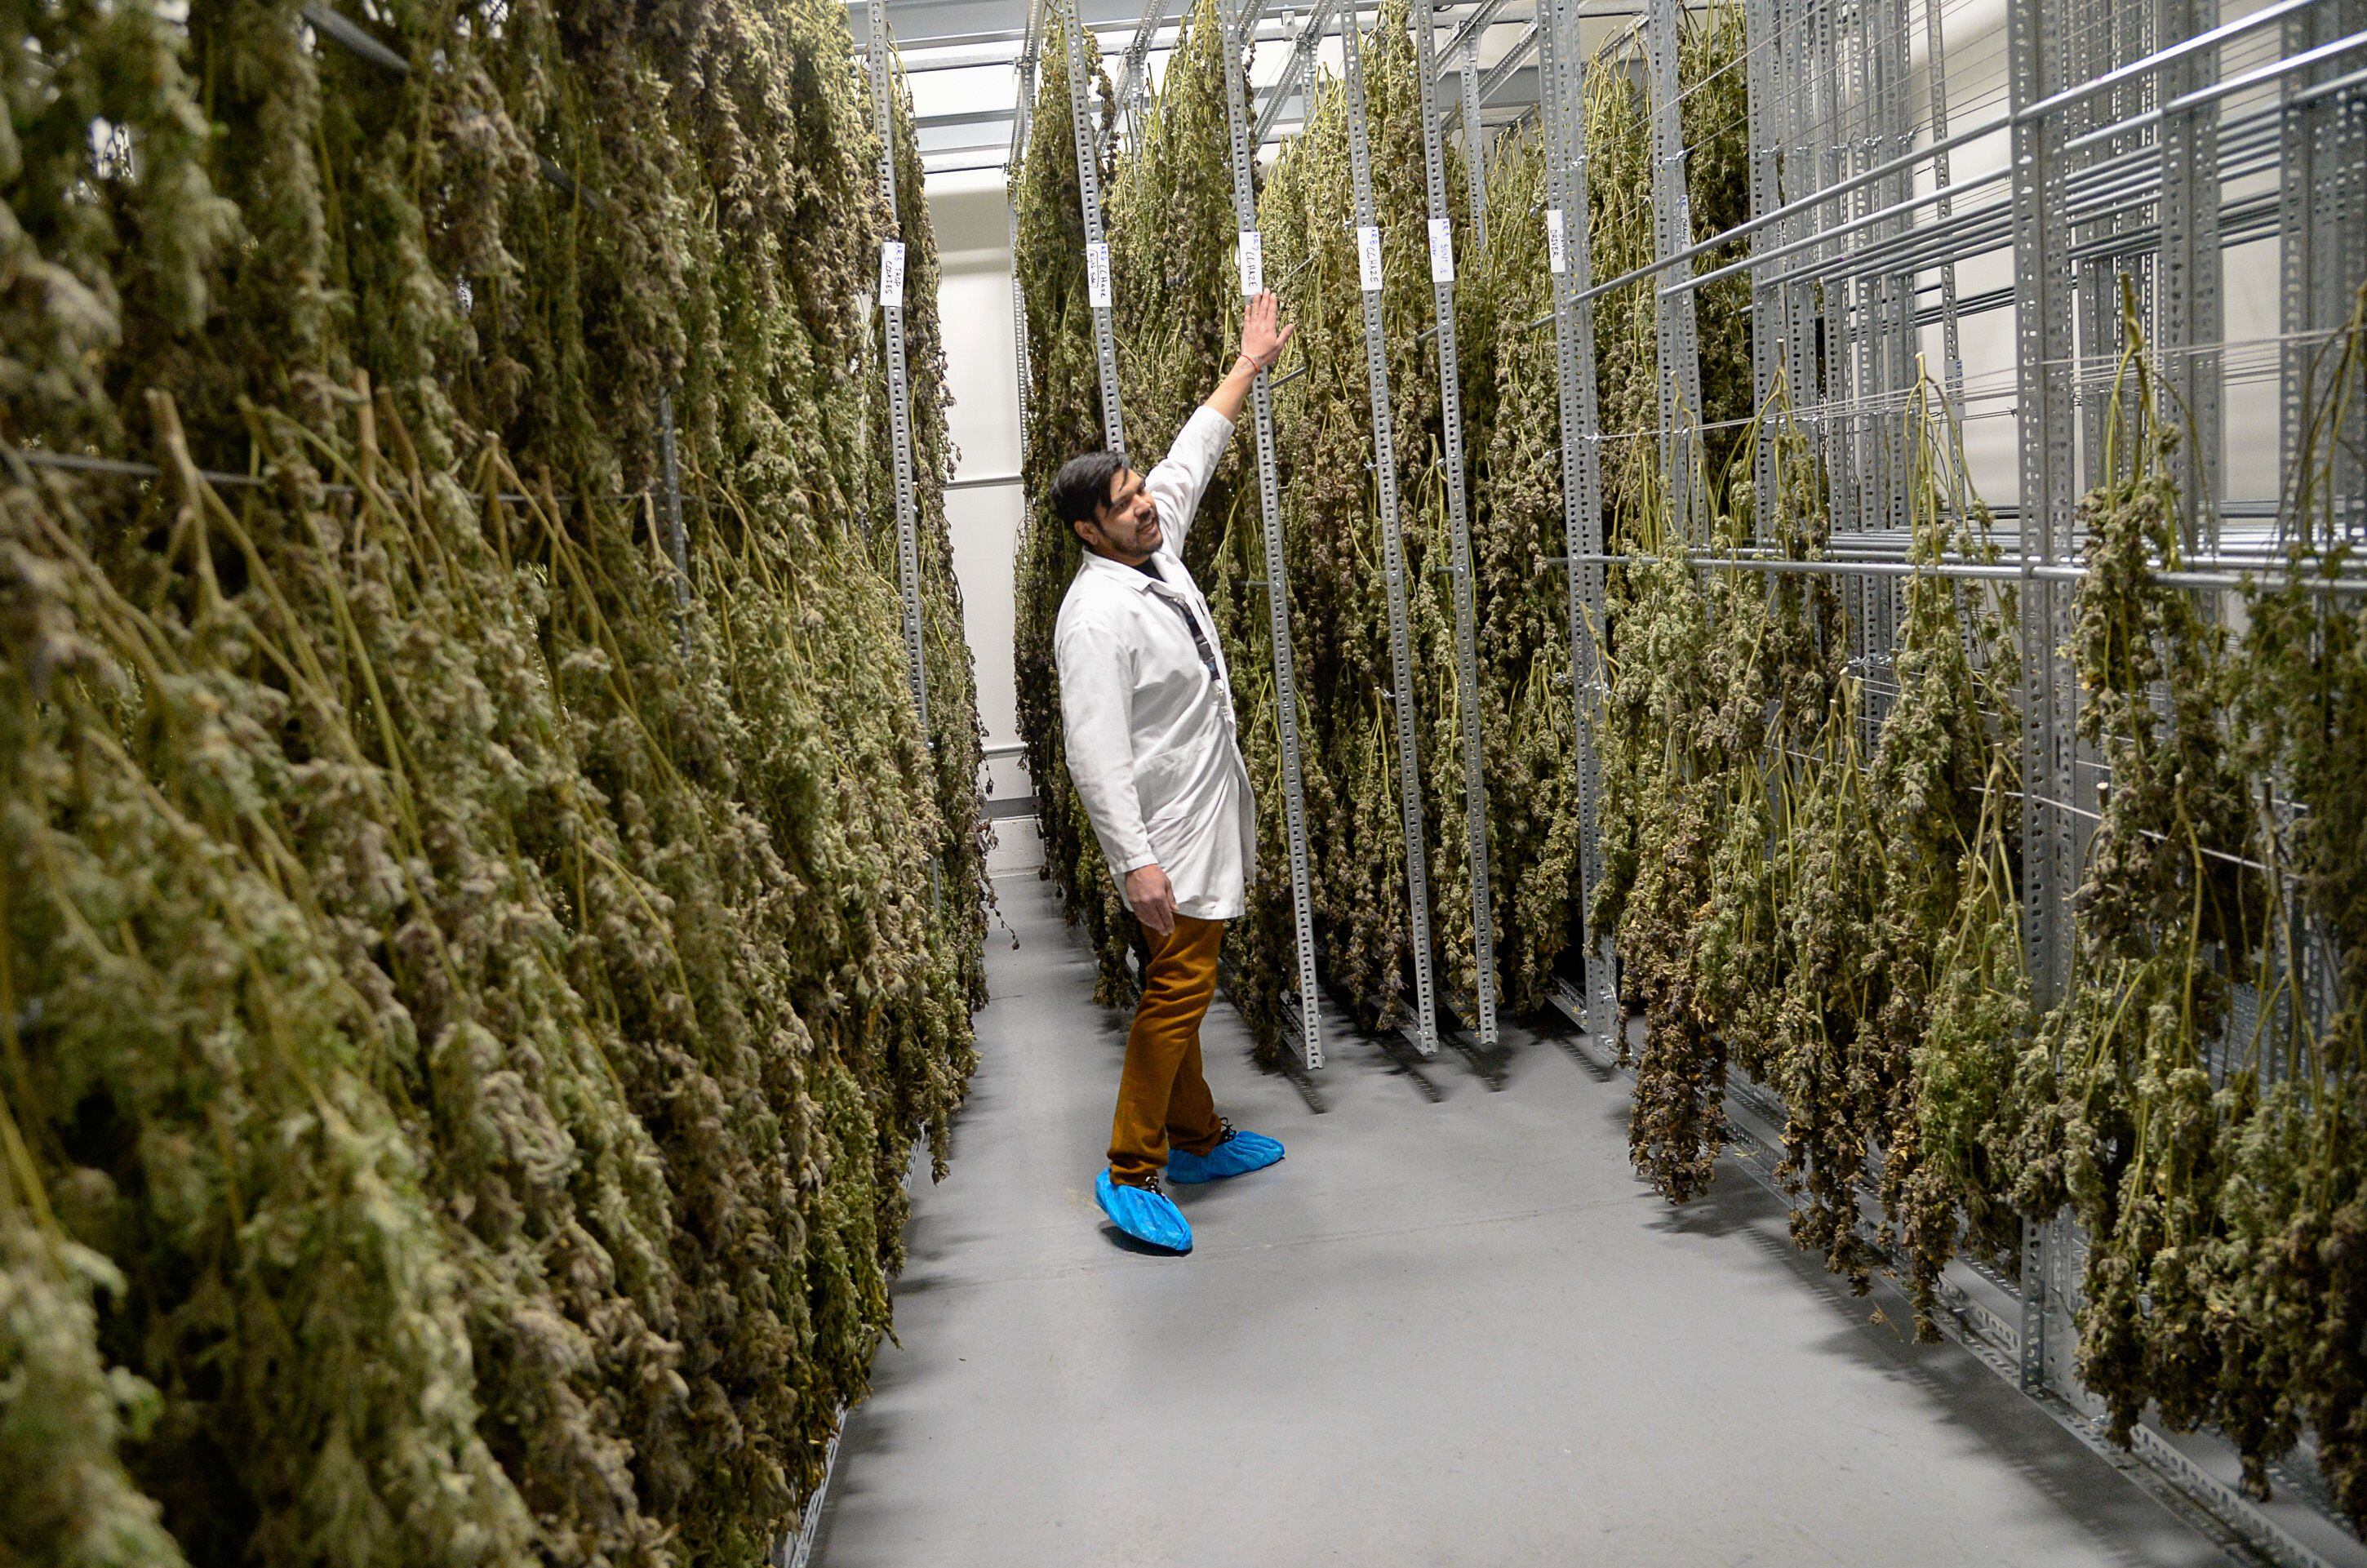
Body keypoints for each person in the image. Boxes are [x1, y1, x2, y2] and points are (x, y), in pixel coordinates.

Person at [1050, 291, 1298, 1255]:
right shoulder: (1093, 619)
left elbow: (1191, 456)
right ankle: (1129, 1166)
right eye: (1123, 504)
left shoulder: (1155, 550)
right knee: (1176, 992)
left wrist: (1247, 363)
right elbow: (1092, 754)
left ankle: (1192, 1135)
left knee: (1180, 982)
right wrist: (1133, 864)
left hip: (1202, 809)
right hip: (1166, 836)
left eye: (1138, 489)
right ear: (1088, 531)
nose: (1146, 503)